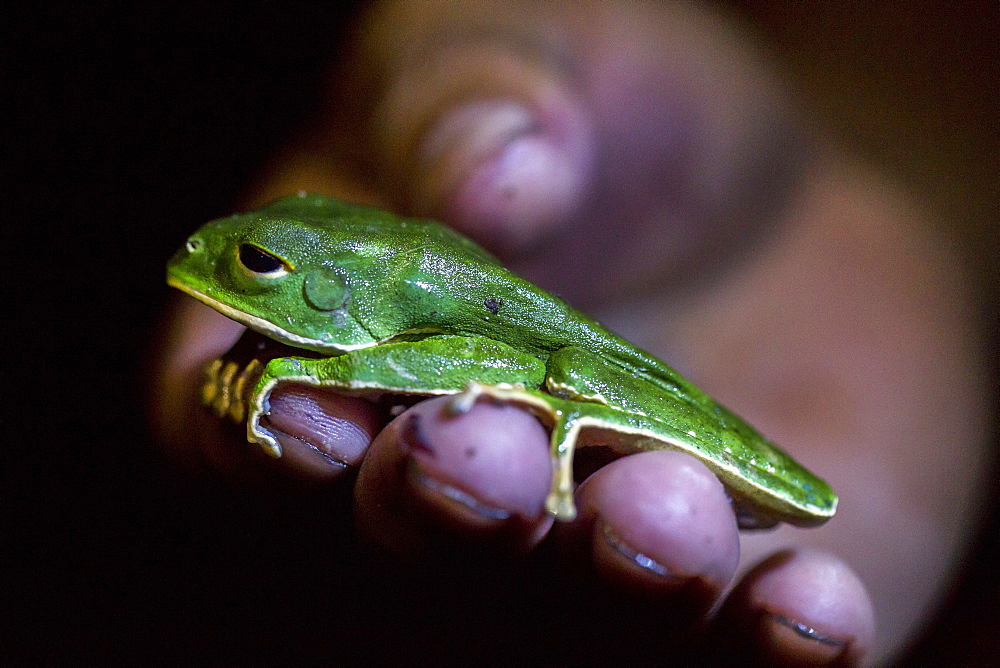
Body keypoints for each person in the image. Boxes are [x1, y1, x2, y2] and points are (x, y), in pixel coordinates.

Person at [152, 2, 990, 663]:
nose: (223, 257)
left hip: (577, 365)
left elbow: (478, 355)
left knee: (564, 410)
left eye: (258, 259)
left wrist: (331, 374)